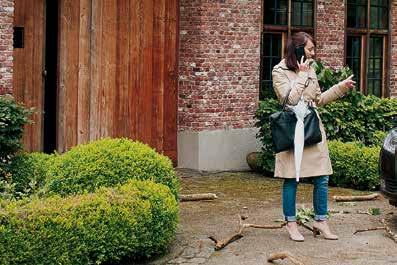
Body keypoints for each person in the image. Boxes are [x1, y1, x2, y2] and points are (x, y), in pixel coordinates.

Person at [271, 32, 355, 242]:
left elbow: (317, 100)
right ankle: (291, 223)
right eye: (310, 49)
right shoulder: (279, 71)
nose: (313, 53)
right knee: (291, 178)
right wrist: (301, 74)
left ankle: (321, 221)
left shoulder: (311, 69)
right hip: (292, 129)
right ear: (298, 50)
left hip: (312, 128)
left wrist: (340, 89)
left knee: (322, 177)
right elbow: (289, 100)